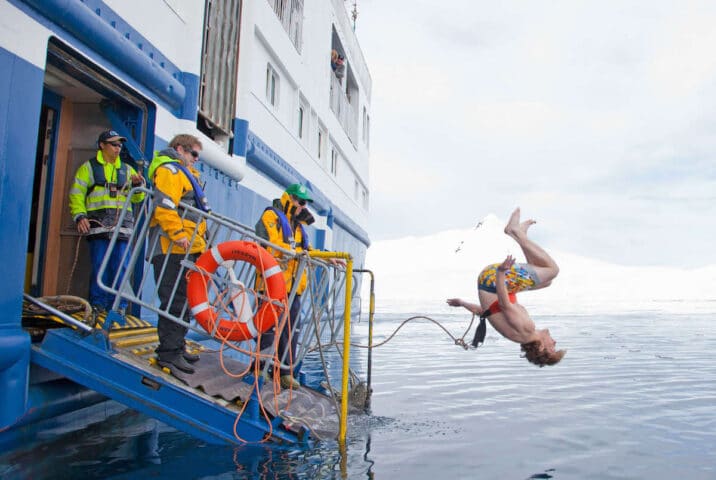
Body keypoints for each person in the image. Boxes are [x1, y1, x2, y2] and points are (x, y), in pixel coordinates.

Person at [447, 208, 566, 367]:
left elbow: (504, 304)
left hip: (492, 280)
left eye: (553, 347)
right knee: (546, 281)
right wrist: (462, 302)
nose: (554, 341)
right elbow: (484, 312)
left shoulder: (526, 330)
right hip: (490, 283)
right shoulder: (518, 336)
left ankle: (515, 232)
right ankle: (519, 235)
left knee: (552, 271)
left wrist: (501, 273)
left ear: (542, 347)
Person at [148, 134, 210, 374]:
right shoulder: (170, 172)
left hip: (188, 248)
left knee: (184, 301)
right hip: (171, 248)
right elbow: (165, 206)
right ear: (179, 149)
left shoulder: (188, 176)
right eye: (193, 154)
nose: (196, 159)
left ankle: (178, 346)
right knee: (174, 300)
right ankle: (168, 354)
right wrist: (178, 234)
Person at [68, 130, 145, 312]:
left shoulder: (128, 170)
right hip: (98, 227)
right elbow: (76, 194)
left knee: (122, 267)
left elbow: (137, 199)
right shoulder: (88, 168)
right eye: (113, 144)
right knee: (99, 266)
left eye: (120, 145)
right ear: (102, 145)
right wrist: (80, 216)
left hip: (122, 228)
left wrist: (137, 186)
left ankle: (119, 306)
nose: (118, 148)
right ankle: (98, 305)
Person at [254, 183, 318, 389]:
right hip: (272, 285)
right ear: (290, 198)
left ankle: (285, 373)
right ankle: (260, 369)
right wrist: (294, 253)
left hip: (293, 288)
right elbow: (269, 245)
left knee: (291, 331)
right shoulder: (271, 217)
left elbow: (306, 250)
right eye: (301, 202)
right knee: (269, 328)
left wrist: (329, 258)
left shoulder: (298, 227)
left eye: (305, 203)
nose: (303, 206)